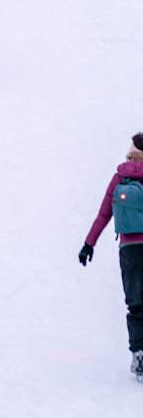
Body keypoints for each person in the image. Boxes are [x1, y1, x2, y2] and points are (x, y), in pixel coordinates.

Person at [79, 132, 143, 379]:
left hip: (129, 250)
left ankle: (139, 354)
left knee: (136, 303)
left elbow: (103, 214)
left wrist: (89, 244)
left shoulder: (120, 177)